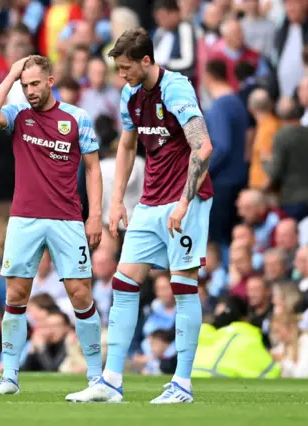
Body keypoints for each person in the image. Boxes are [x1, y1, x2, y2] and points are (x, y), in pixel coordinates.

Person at [67, 28, 213, 404]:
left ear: (146, 60)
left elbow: (203, 146)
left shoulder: (177, 90)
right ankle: (111, 381)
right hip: (147, 203)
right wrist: (117, 203)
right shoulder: (130, 93)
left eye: (126, 67)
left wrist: (184, 202)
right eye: (118, 68)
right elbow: (128, 144)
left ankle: (182, 384)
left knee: (182, 286)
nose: (122, 75)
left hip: (186, 200)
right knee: (123, 283)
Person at [0, 54, 103, 396]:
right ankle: (10, 376)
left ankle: (96, 378)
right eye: (25, 85)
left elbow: (93, 169)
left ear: (50, 81)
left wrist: (94, 215)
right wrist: (10, 77)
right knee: (16, 294)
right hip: (24, 218)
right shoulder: (18, 114)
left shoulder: (77, 118)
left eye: (35, 83)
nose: (29, 91)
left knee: (80, 294)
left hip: (67, 218)